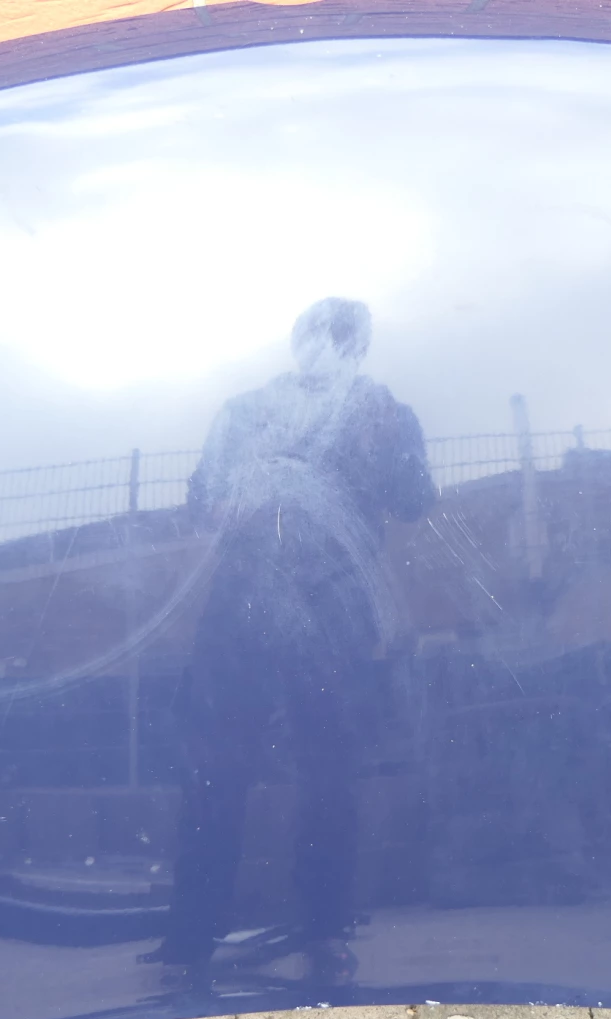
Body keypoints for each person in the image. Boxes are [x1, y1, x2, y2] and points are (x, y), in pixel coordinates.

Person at [145, 298, 435, 980]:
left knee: (289, 766)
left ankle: (243, 932)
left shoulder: (367, 413)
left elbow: (414, 498)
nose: (330, 351)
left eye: (340, 340)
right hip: (269, 601)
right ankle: (268, 930)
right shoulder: (257, 412)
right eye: (325, 338)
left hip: (308, 605)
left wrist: (380, 441)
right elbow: (204, 500)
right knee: (268, 765)